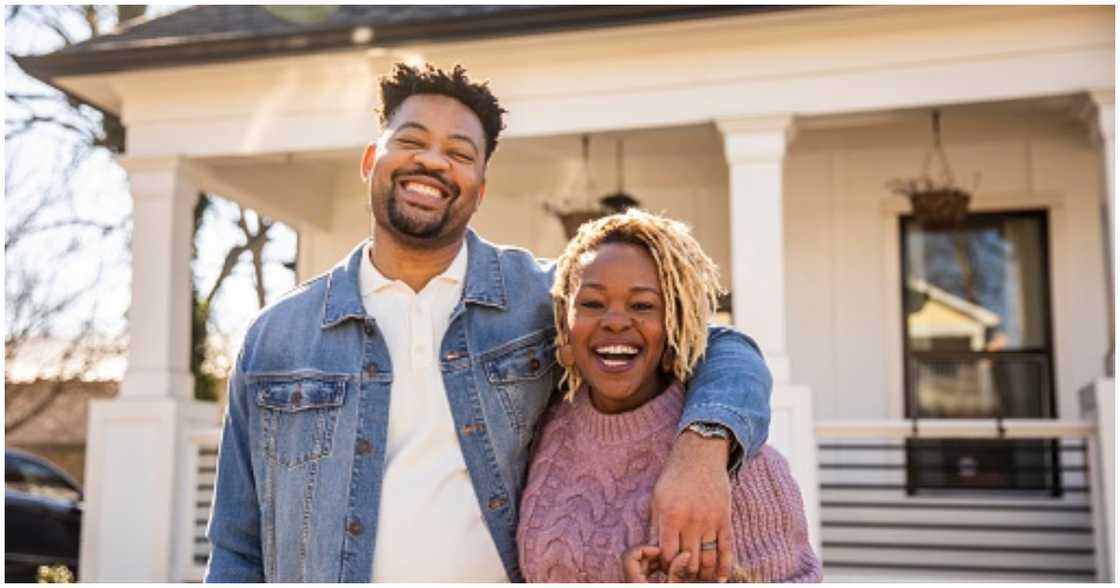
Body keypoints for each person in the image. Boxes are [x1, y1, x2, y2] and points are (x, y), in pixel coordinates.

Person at [204, 63, 772, 582]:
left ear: (479, 189)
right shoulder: (278, 337)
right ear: (370, 161)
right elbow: (237, 548)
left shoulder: (543, 297)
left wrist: (702, 452)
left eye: (459, 152)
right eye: (411, 141)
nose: (433, 161)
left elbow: (721, 345)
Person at [517, 210, 820, 583]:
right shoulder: (542, 426)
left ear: (675, 323)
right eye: (592, 303)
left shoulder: (733, 463)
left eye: (642, 305)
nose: (615, 321)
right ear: (565, 321)